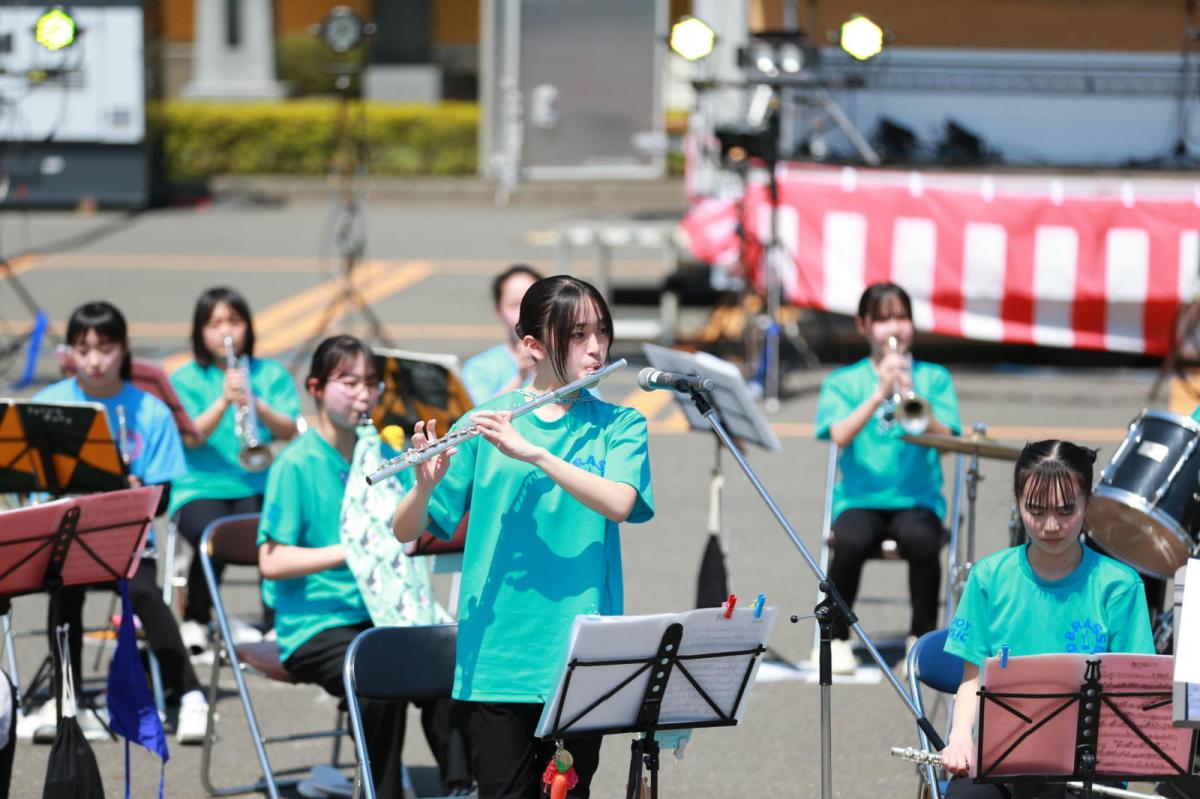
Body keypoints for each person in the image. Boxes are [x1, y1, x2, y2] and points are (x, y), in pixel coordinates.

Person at [393, 275, 655, 799]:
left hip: (581, 651)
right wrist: (422, 488)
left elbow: (620, 502)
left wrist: (535, 452)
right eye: (578, 335)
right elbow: (406, 530)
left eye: (601, 331)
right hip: (498, 654)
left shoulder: (620, 424)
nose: (596, 347)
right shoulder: (484, 423)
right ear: (533, 345)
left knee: (568, 793)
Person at [257, 335, 460, 799]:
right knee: (376, 669)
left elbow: (403, 529)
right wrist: (355, 550)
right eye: (347, 382)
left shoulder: (380, 454)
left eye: (370, 383)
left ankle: (462, 785)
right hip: (315, 622)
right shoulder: (295, 464)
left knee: (446, 660)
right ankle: (380, 790)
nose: (362, 394)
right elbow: (271, 561)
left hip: (380, 609)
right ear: (315, 387)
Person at [30, 301, 210, 744]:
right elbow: (31, 482)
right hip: (65, 535)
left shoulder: (149, 410)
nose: (93, 360)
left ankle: (188, 693)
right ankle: (65, 698)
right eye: (82, 348)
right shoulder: (47, 404)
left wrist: (137, 490)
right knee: (63, 592)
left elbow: (164, 497)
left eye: (105, 348)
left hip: (126, 537)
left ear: (124, 349)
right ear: (69, 351)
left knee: (145, 591)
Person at [940, 440, 1154, 796]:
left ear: (1088, 504)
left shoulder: (1119, 586)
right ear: (1018, 503)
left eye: (1066, 510)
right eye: (1036, 511)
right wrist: (960, 737)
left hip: (1089, 767)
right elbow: (972, 678)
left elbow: (1136, 693)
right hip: (1005, 761)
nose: (1051, 526)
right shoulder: (989, 578)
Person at [814, 282, 961, 674]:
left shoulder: (934, 378)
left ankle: (923, 638)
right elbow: (839, 435)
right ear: (863, 325)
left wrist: (914, 397)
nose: (894, 327)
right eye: (883, 319)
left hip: (917, 499)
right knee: (850, 539)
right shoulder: (844, 382)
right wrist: (880, 392)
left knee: (922, 539)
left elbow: (948, 443)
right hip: (860, 498)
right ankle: (837, 637)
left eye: (901, 317)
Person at [169, 287, 301, 646]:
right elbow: (190, 437)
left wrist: (254, 402)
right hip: (200, 485)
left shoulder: (269, 373)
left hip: (256, 481)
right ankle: (196, 617)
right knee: (208, 534)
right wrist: (224, 400)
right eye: (213, 323)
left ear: (249, 326)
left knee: (270, 534)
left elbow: (289, 429)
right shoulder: (185, 378)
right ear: (199, 331)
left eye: (234, 321)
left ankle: (275, 619)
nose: (225, 330)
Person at [461, 264, 542, 404]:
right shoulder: (480, 367)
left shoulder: (567, 360)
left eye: (532, 302)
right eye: (514, 304)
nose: (524, 312)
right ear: (498, 310)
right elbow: (473, 418)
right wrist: (520, 378)